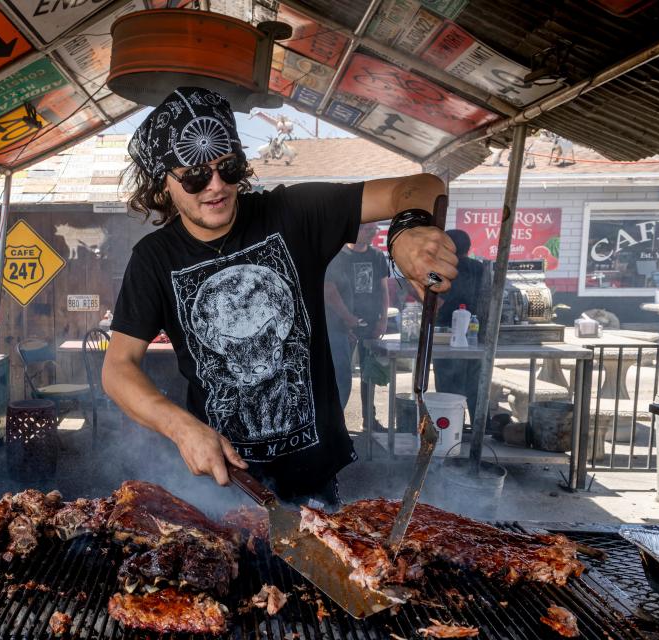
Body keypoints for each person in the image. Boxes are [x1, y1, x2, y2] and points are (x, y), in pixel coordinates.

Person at [102, 87, 457, 505]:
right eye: (196, 175)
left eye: (228, 167)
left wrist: (407, 232)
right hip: (224, 485)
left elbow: (420, 186)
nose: (216, 186)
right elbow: (118, 368)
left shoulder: (293, 213)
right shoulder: (154, 260)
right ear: (163, 184)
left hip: (315, 481)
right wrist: (182, 428)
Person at [324, 223, 390, 420]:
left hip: (369, 324)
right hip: (340, 326)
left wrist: (383, 320)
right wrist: (347, 319)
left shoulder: (377, 256)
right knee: (341, 375)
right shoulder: (338, 256)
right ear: (354, 229)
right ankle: (336, 422)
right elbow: (329, 290)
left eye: (375, 229)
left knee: (370, 374)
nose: (372, 233)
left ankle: (369, 419)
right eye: (367, 229)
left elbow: (384, 289)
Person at [433, 229, 486, 424]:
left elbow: (433, 301)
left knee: (447, 386)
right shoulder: (481, 268)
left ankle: (452, 427)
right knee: (474, 384)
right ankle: (479, 429)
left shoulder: (438, 270)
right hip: (475, 334)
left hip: (444, 337)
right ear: (468, 248)